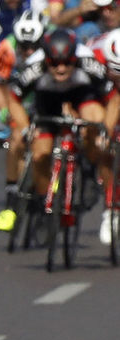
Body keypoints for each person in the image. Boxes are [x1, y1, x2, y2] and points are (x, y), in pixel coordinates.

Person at [12, 29, 117, 233]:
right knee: (40, 154)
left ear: (74, 58)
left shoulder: (87, 62)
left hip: (81, 96)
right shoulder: (34, 66)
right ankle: (45, 200)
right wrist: (25, 128)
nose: (61, 69)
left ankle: (89, 168)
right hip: (47, 101)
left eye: (67, 63)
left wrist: (105, 131)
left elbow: (113, 98)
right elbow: (14, 99)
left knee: (94, 121)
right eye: (54, 64)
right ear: (46, 60)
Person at [0, 10, 49, 233]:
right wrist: (5, 110)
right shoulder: (7, 47)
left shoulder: (51, 48)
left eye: (34, 46)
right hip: (19, 100)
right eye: (24, 47)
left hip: (45, 98)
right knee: (16, 140)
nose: (29, 51)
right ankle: (12, 192)